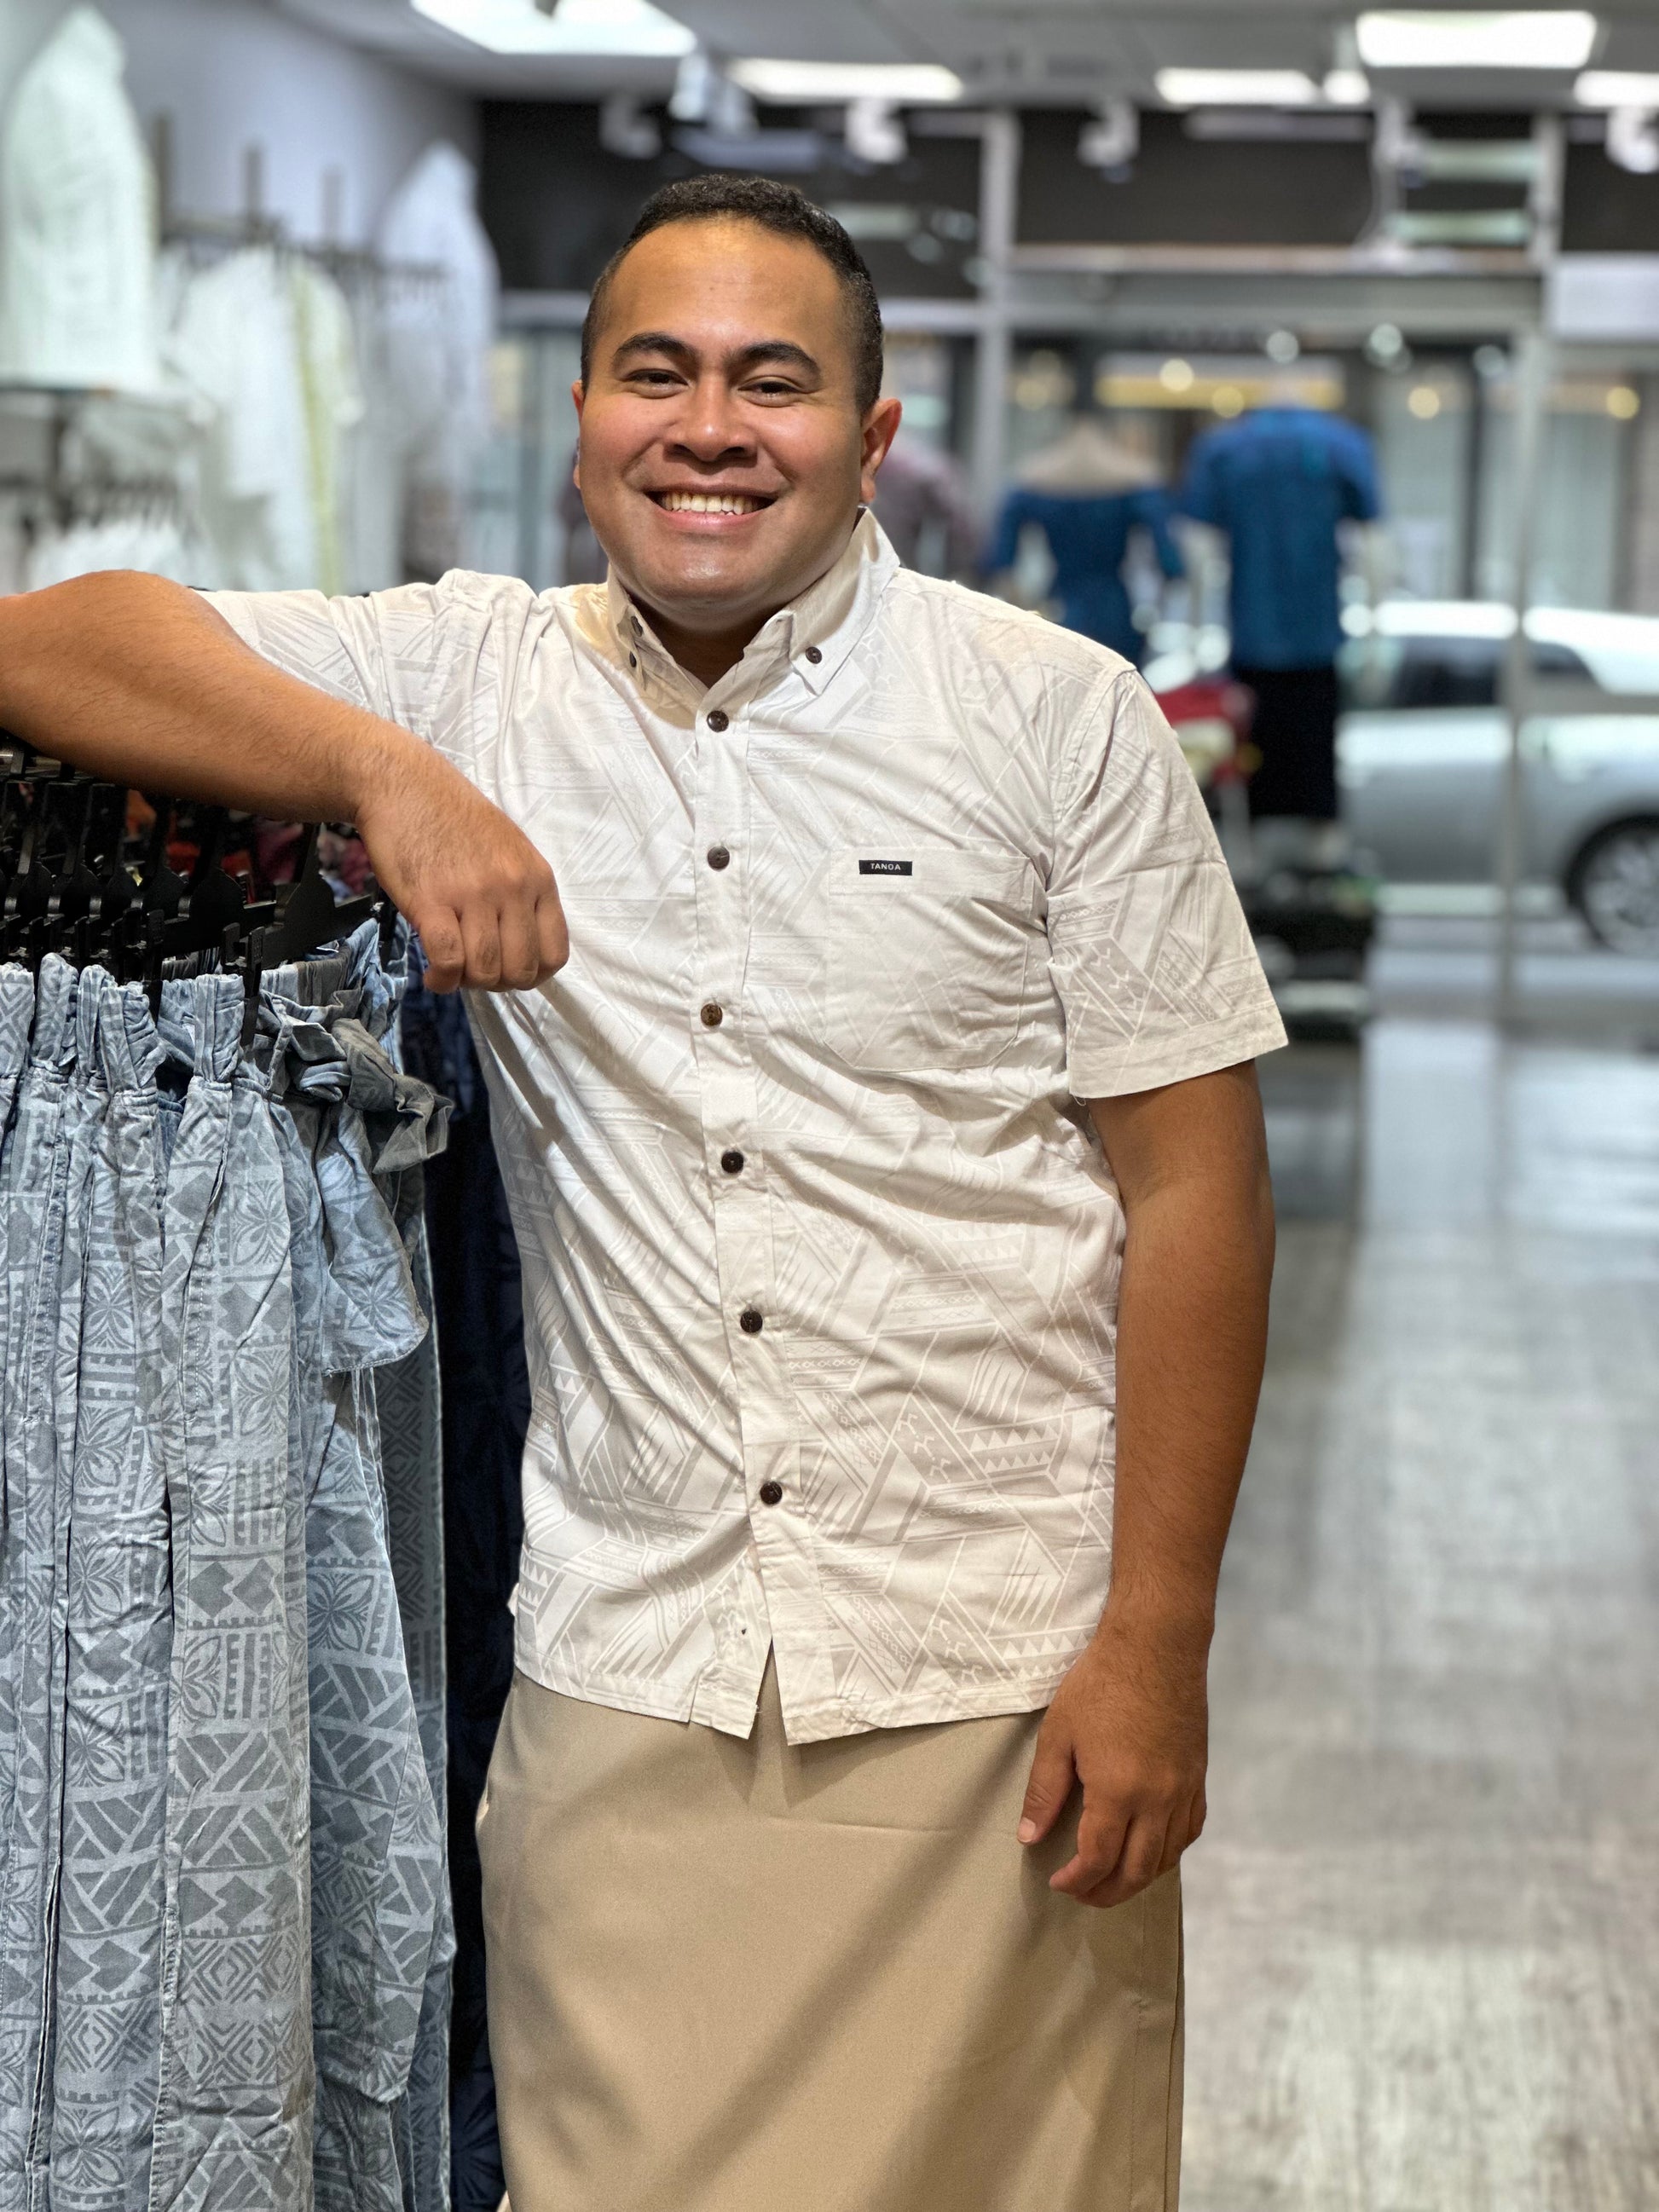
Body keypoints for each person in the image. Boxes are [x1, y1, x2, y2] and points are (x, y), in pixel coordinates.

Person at [0, 175, 1285, 2212]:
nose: (709, 428)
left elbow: (1195, 1192)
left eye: (773, 381)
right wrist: (385, 775)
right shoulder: (464, 670)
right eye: (656, 373)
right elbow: (47, 640)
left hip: (998, 1673)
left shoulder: (1057, 715)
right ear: (583, 416)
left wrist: (1155, 1640)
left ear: (869, 434)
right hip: (626, 1661)